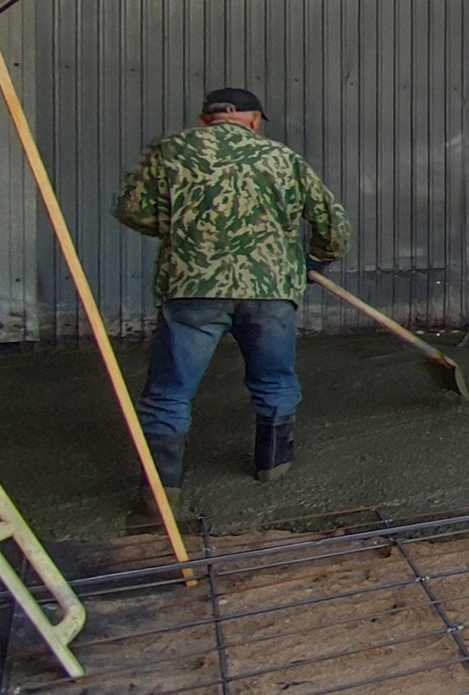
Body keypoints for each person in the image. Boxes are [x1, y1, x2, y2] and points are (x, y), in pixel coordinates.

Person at [112, 87, 351, 501]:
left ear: (207, 118)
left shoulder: (169, 151)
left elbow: (130, 208)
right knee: (273, 377)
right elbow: (334, 225)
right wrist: (314, 261)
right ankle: (272, 465)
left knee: (169, 389)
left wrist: (180, 231)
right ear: (254, 119)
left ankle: (161, 489)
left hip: (193, 288)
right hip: (270, 290)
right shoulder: (282, 158)